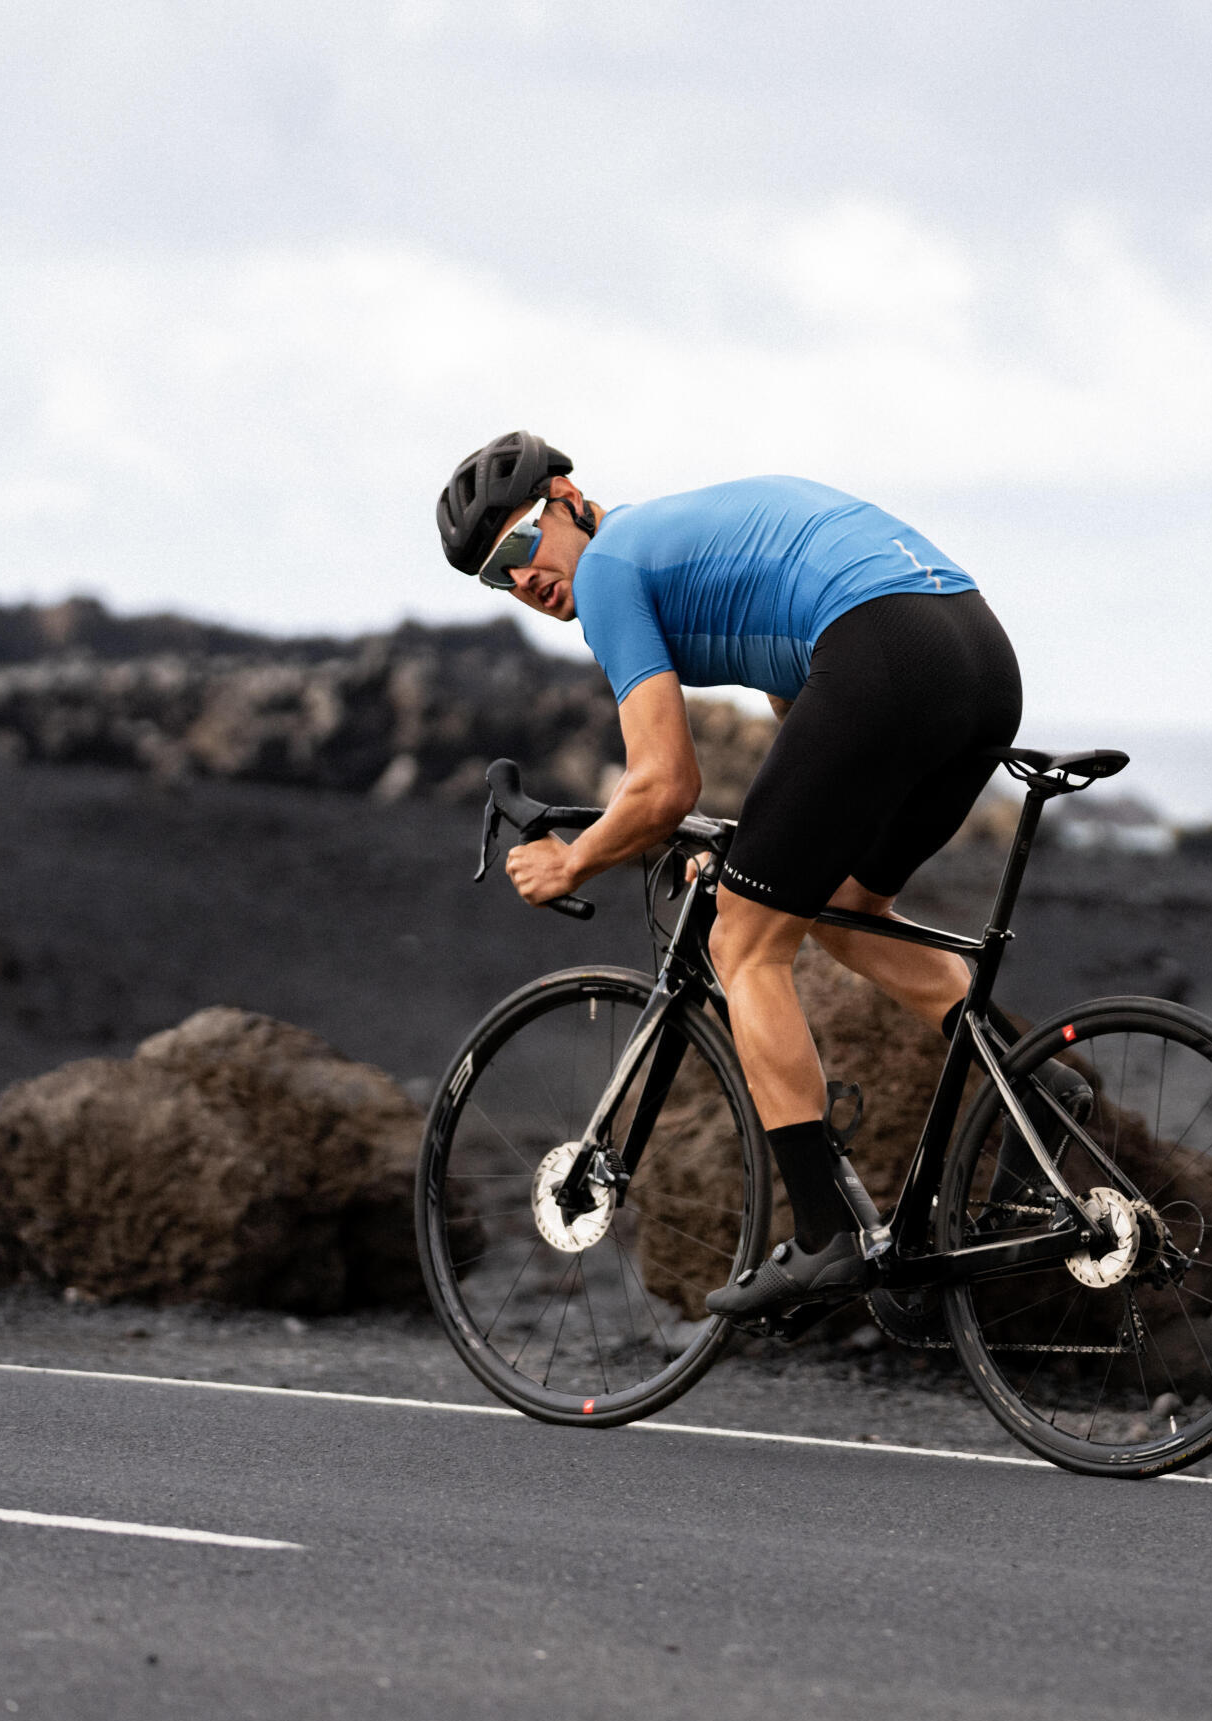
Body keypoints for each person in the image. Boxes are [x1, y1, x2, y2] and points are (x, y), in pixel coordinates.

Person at [436, 430, 1082, 1323]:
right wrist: (756, 850)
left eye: (517, 550)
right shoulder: (670, 542)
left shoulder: (613, 570)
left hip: (883, 647)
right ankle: (1036, 1080)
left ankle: (822, 1237)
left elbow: (664, 783)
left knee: (744, 944)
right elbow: (806, 721)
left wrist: (574, 857)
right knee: (846, 907)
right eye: (494, 579)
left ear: (568, 499)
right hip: (971, 651)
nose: (522, 583)